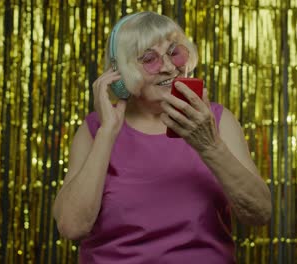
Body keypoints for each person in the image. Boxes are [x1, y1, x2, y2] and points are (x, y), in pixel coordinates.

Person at [53, 11, 272, 263]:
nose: (169, 67)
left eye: (174, 52)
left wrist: (210, 145)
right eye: (150, 59)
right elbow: (71, 227)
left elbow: (259, 213)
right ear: (121, 72)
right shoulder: (94, 129)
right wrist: (107, 133)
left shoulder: (218, 120)